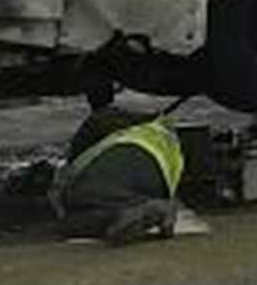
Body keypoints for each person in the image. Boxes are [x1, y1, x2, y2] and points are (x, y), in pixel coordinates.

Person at [50, 82, 186, 243]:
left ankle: (144, 208)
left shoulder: (84, 176)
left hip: (131, 168)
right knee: (89, 210)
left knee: (68, 223)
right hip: (159, 168)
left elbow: (98, 120)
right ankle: (140, 208)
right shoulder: (147, 129)